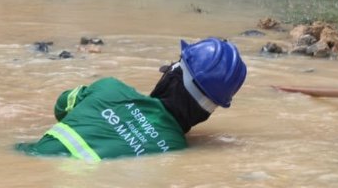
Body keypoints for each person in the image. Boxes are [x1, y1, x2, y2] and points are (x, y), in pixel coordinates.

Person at [16, 38, 247, 161]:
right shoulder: (174, 149)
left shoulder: (110, 89)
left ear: (171, 76)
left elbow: (60, 106)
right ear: (207, 112)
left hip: (28, 161)